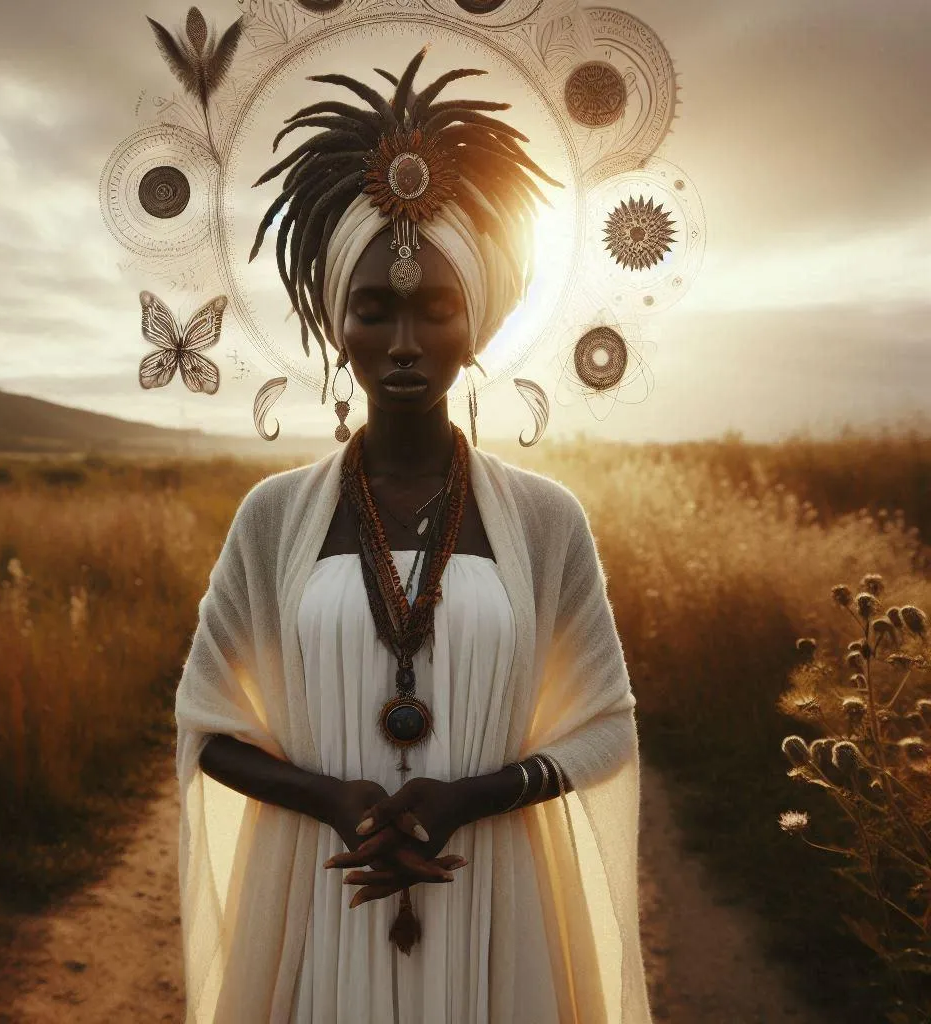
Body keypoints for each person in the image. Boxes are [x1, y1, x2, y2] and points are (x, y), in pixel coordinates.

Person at [175, 48, 652, 1024]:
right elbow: (209, 725)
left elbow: (607, 726)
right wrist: (335, 798)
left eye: (434, 308)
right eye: (373, 307)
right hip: (329, 889)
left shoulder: (547, 522)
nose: (402, 342)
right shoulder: (274, 518)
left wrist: (468, 798)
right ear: (331, 321)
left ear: (473, 324)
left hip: (492, 891)